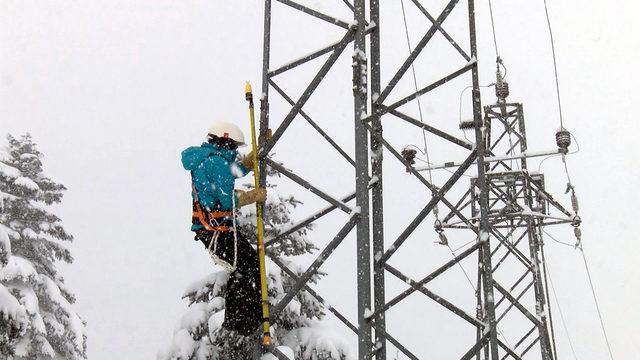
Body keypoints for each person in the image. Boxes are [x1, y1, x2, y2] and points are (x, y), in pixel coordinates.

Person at [181, 121, 267, 336]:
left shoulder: (206, 159)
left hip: (209, 228)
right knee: (248, 267)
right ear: (225, 143)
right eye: (234, 147)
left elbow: (233, 172)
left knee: (247, 266)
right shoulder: (216, 163)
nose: (235, 151)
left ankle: (242, 318)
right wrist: (251, 196)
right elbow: (227, 200)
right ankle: (242, 319)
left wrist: (252, 158)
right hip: (217, 230)